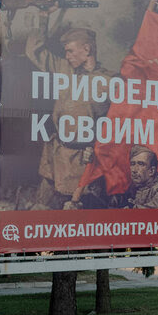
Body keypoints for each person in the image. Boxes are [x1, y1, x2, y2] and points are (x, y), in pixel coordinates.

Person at [26, 25, 114, 209]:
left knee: (78, 217)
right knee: (41, 212)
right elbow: (34, 52)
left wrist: (99, 149)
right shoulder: (64, 68)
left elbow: (120, 122)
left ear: (87, 49)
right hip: (54, 157)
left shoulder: (110, 80)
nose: (67, 56)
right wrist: (44, 17)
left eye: (70, 51)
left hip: (83, 161)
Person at [116, 145, 158, 209]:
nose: (134, 170)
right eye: (132, 164)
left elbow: (149, 210)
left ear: (151, 171)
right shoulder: (136, 186)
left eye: (141, 164)